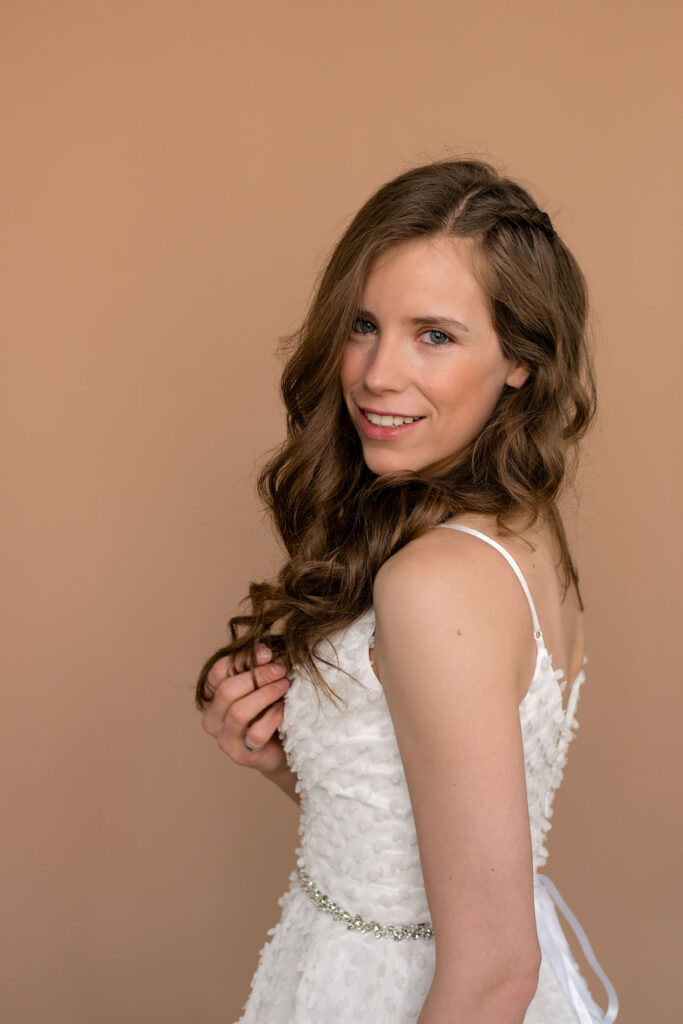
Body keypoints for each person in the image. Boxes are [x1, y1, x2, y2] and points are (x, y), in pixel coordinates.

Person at [195, 158, 619, 1023]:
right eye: (363, 325)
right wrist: (292, 759)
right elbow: (433, 837)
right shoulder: (518, 527)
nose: (376, 374)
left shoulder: (435, 579)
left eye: (434, 334)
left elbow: (494, 970)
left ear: (519, 363)